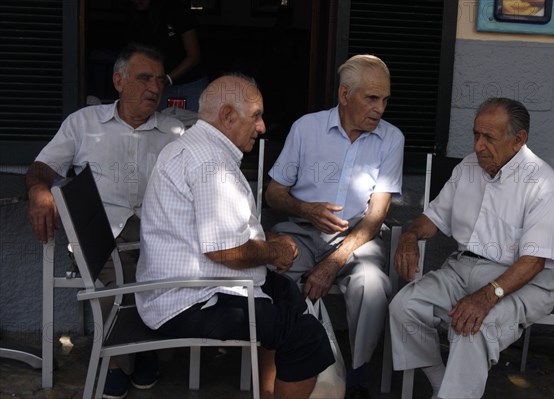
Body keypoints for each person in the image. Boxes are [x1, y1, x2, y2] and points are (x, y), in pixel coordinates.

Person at [135, 73, 335, 399]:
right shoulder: (210, 164)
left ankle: (268, 392)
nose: (262, 127)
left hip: (180, 288)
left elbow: (225, 227)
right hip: (187, 302)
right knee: (306, 337)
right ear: (227, 116)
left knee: (286, 293)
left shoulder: (196, 147)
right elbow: (223, 250)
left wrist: (270, 241)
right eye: (256, 116)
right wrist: (274, 252)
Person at [25, 42, 184, 399]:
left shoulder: (175, 132)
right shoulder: (83, 123)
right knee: (111, 266)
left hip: (158, 230)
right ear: (118, 81)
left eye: (160, 80)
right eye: (144, 78)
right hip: (103, 231)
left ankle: (142, 349)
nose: (155, 88)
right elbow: (42, 167)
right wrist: (38, 191)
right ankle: (117, 360)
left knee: (168, 262)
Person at [389, 97, 554, 399]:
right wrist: (409, 237)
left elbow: (534, 260)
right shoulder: (468, 167)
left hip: (521, 280)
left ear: (518, 140)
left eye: (489, 138)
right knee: (404, 307)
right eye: (475, 135)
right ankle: (441, 383)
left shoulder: (542, 181)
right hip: (463, 268)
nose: (478, 146)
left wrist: (486, 297)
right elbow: (432, 218)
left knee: (473, 327)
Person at [264, 54, 405, 399]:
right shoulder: (306, 128)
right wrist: (305, 208)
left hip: (358, 236)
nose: (380, 108)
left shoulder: (391, 139)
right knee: (274, 277)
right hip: (301, 230)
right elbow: (274, 194)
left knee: (372, 284)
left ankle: (356, 374)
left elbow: (376, 216)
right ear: (345, 95)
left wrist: (333, 261)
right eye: (371, 98)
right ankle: (282, 368)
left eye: (385, 100)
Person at [125, 0, 208, 112]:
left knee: (192, 127)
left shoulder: (178, 10)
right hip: (157, 85)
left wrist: (167, 78)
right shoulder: (138, 17)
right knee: (158, 126)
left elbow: (194, 57)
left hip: (190, 85)